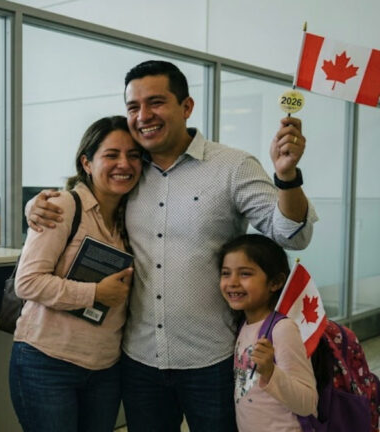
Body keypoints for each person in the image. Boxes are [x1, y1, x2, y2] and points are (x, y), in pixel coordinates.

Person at [27, 60, 318, 431]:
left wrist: (288, 177)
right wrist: (36, 205)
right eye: (133, 107)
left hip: (210, 360)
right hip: (139, 361)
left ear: (187, 107)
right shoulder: (128, 172)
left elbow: (293, 234)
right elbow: (82, 196)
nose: (143, 116)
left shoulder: (232, 166)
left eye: (156, 102)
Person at [9, 116, 139, 432]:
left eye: (133, 155)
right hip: (48, 362)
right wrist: (94, 294)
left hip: (106, 367)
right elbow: (27, 282)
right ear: (87, 162)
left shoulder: (133, 214)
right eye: (111, 155)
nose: (124, 163)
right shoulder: (63, 206)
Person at [219, 234, 317, 431]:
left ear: (275, 282)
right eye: (226, 273)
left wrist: (271, 372)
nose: (232, 282)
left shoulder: (283, 329)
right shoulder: (244, 325)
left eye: (245, 274)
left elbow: (307, 404)